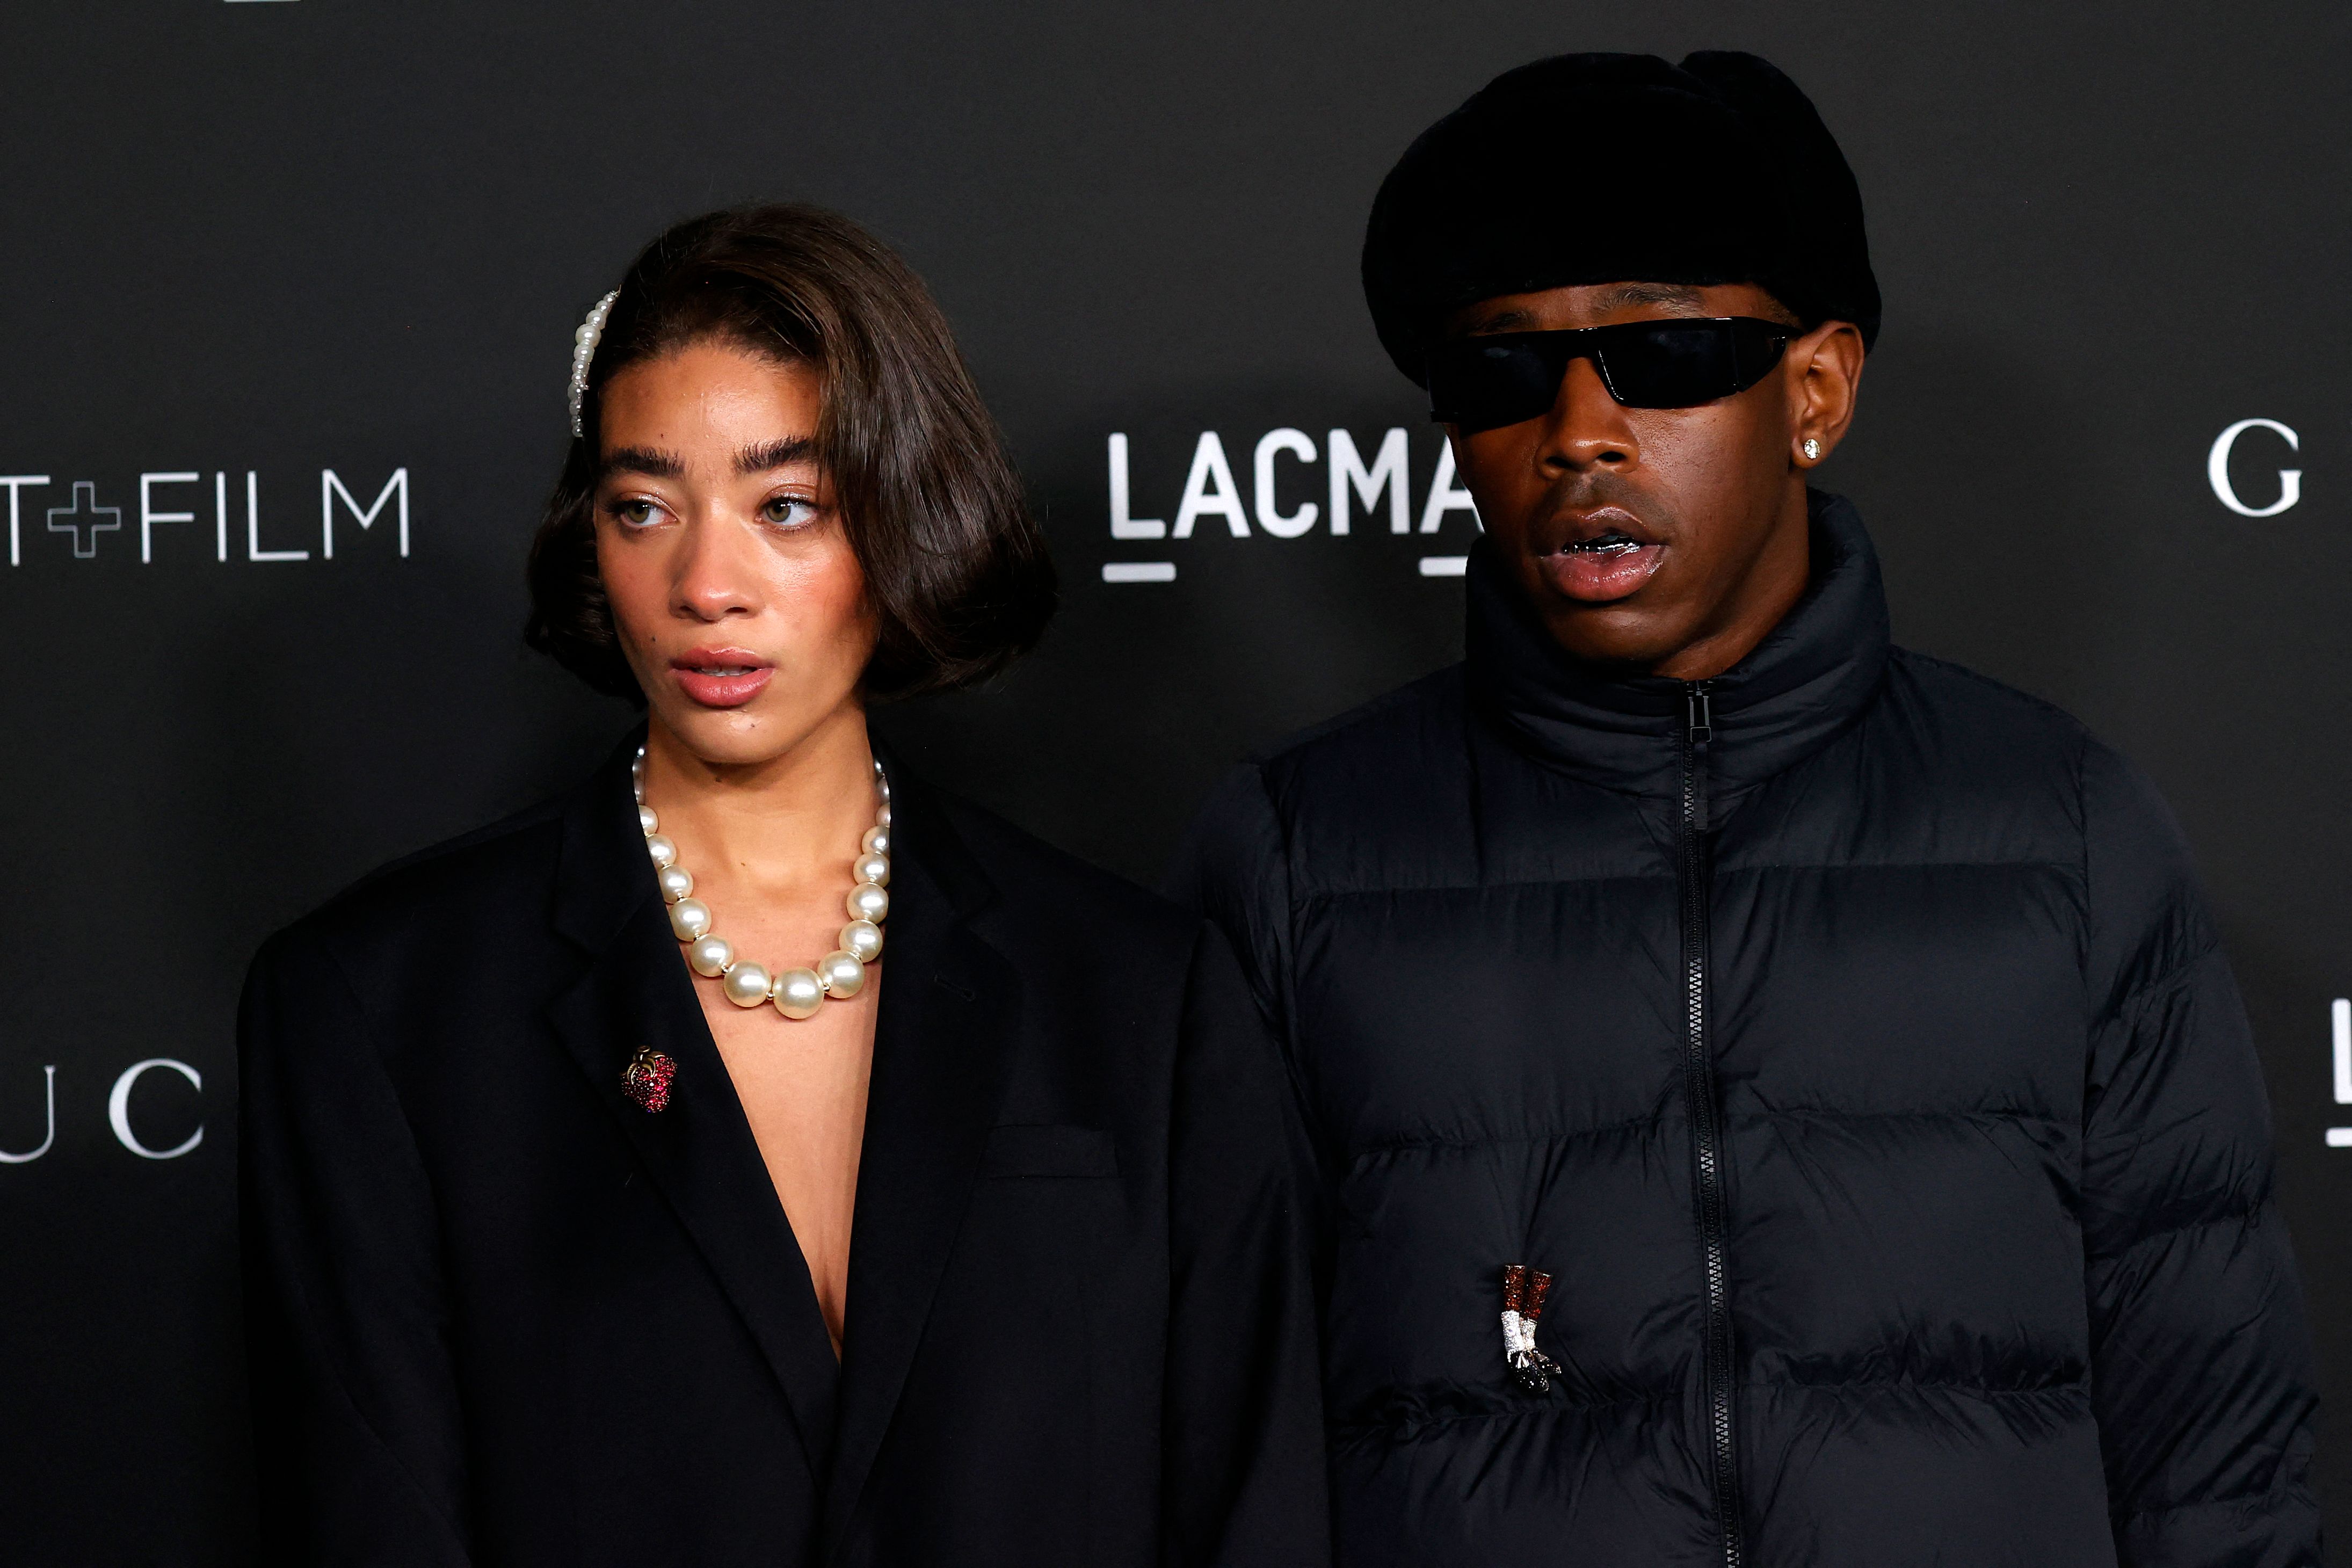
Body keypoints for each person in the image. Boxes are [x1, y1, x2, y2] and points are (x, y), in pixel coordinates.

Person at [1173, 52, 2321, 1567]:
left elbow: (2216, 1472)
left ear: (1817, 390)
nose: (1579, 428)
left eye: (1660, 354)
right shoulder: (1296, 856)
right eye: (1501, 373)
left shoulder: (2067, 832)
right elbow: (1213, 1458)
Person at [239, 204, 1327, 1567]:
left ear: (903, 516)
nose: (707, 584)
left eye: (787, 506)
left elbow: (1254, 1512)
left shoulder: (1139, 993)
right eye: (644, 507)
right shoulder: (380, 1008)